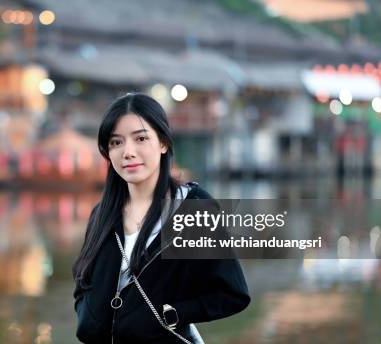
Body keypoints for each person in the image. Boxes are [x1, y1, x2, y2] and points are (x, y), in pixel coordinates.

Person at [72, 93, 250, 343]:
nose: (128, 152)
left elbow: (233, 293)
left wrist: (172, 315)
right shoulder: (101, 214)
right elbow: (83, 282)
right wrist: (87, 319)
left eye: (141, 138)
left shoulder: (193, 208)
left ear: (164, 143)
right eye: (116, 142)